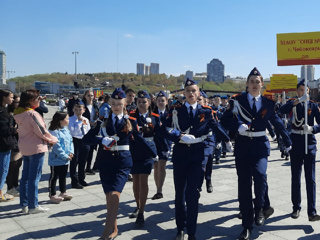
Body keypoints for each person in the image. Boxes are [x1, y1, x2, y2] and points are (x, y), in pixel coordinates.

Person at [221, 68, 292, 240]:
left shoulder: (267, 103)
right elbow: (224, 120)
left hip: (260, 145)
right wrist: (236, 127)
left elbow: (277, 123)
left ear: (262, 84)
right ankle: (246, 225)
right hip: (243, 146)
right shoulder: (237, 101)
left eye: (257, 81)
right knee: (244, 185)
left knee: (260, 176)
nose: (254, 84)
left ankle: (259, 208)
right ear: (247, 84)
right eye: (251, 81)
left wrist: (288, 142)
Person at [83, 88, 156, 240]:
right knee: (109, 197)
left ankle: (104, 234)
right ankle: (114, 229)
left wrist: (153, 154)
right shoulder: (103, 120)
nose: (116, 106)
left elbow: (140, 140)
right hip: (106, 162)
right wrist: (101, 140)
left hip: (123, 162)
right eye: (113, 103)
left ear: (124, 104)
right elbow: (87, 139)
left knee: (115, 194)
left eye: (119, 104)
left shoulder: (131, 121)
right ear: (110, 104)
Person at [161, 79, 220, 240]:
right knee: (179, 194)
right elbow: (164, 128)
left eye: (194, 91)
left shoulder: (206, 111)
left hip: (197, 155)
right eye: (188, 91)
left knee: (192, 194)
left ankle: (192, 231)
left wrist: (227, 140)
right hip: (180, 154)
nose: (191, 93)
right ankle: (180, 228)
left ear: (198, 93)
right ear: (184, 94)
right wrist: (178, 135)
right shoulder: (175, 110)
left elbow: (216, 128)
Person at [279, 79, 320, 222]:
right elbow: (280, 111)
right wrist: (294, 102)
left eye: (306, 90)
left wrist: (313, 129)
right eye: (301, 90)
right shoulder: (293, 104)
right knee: (295, 177)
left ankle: (312, 211)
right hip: (296, 143)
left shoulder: (313, 106)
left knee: (311, 179)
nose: (304, 92)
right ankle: (296, 207)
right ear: (297, 91)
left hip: (309, 144)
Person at [14, 89, 58, 214]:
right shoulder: (32, 114)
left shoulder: (18, 113)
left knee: (25, 178)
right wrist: (53, 139)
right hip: (36, 147)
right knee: (34, 178)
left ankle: (24, 204)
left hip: (25, 147)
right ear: (30, 101)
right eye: (37, 99)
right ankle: (33, 206)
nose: (39, 100)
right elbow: (42, 131)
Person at [128, 90, 158, 225]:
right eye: (139, 102)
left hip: (148, 153)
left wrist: (161, 152)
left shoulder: (155, 116)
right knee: (135, 181)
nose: (141, 104)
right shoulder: (131, 117)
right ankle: (138, 205)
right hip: (134, 152)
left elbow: (160, 135)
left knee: (143, 181)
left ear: (149, 102)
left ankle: (141, 212)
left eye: (144, 102)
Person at [48, 111, 74, 204]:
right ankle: (52, 194)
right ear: (60, 120)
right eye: (66, 119)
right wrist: (64, 155)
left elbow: (71, 141)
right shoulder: (53, 131)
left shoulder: (65, 129)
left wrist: (71, 152)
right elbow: (56, 146)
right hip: (56, 159)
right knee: (54, 177)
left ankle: (63, 192)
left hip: (66, 159)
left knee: (63, 176)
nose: (68, 120)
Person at [151, 91, 171, 200]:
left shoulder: (170, 114)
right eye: (159, 101)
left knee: (162, 165)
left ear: (166, 102)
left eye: (163, 100)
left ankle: (159, 190)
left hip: (165, 144)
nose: (161, 102)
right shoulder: (152, 114)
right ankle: (157, 187)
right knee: (155, 166)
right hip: (154, 143)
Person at [68, 103, 91, 189]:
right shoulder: (71, 119)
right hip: (75, 140)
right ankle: (74, 181)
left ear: (84, 110)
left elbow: (88, 130)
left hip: (84, 140)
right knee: (74, 161)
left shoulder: (85, 119)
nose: (78, 112)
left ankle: (82, 178)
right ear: (73, 110)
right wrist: (79, 122)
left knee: (83, 161)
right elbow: (73, 132)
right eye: (76, 110)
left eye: (80, 110)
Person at [6, 94, 23, 197]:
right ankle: (10, 187)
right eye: (16, 102)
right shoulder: (9, 114)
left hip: (20, 141)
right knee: (12, 165)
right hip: (12, 142)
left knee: (18, 164)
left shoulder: (21, 112)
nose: (18, 104)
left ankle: (15, 184)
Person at [0, 89, 15, 202]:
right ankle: (0, 193)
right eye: (11, 97)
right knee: (3, 169)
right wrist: (14, 130)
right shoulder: (2, 112)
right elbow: (3, 129)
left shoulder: (5, 110)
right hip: (4, 144)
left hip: (5, 143)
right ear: (4, 97)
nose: (12, 99)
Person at [82, 90, 99, 175]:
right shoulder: (82, 105)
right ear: (85, 96)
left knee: (92, 149)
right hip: (85, 129)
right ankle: (82, 166)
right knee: (85, 149)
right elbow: (79, 117)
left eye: (92, 95)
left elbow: (97, 115)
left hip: (93, 129)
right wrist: (87, 122)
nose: (90, 97)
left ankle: (88, 167)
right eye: (88, 95)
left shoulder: (95, 105)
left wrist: (96, 121)